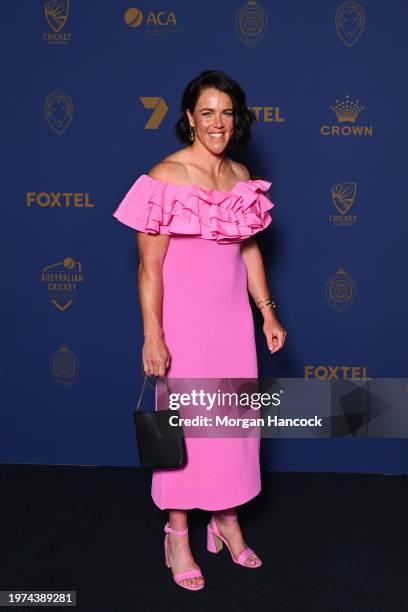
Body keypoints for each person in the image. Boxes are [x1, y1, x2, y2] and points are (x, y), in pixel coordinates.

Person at [113, 70, 286, 591]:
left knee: (231, 428)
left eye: (226, 112)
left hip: (231, 324)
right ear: (188, 118)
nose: (218, 122)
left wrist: (267, 311)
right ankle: (178, 534)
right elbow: (149, 267)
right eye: (206, 112)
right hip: (183, 326)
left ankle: (226, 522)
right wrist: (153, 335)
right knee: (184, 433)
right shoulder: (164, 176)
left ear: (237, 119)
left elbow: (249, 248)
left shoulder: (240, 174)